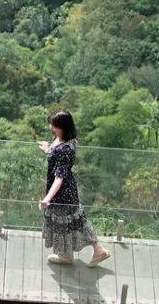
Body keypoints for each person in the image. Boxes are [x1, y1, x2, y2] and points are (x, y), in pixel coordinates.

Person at [37, 109, 111, 267]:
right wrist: (48, 150)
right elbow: (56, 157)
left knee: (68, 221)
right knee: (75, 220)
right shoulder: (63, 140)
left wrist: (47, 199)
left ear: (62, 127)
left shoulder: (66, 149)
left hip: (62, 192)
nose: (51, 127)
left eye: (54, 125)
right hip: (65, 190)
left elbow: (59, 178)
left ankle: (70, 255)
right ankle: (77, 252)